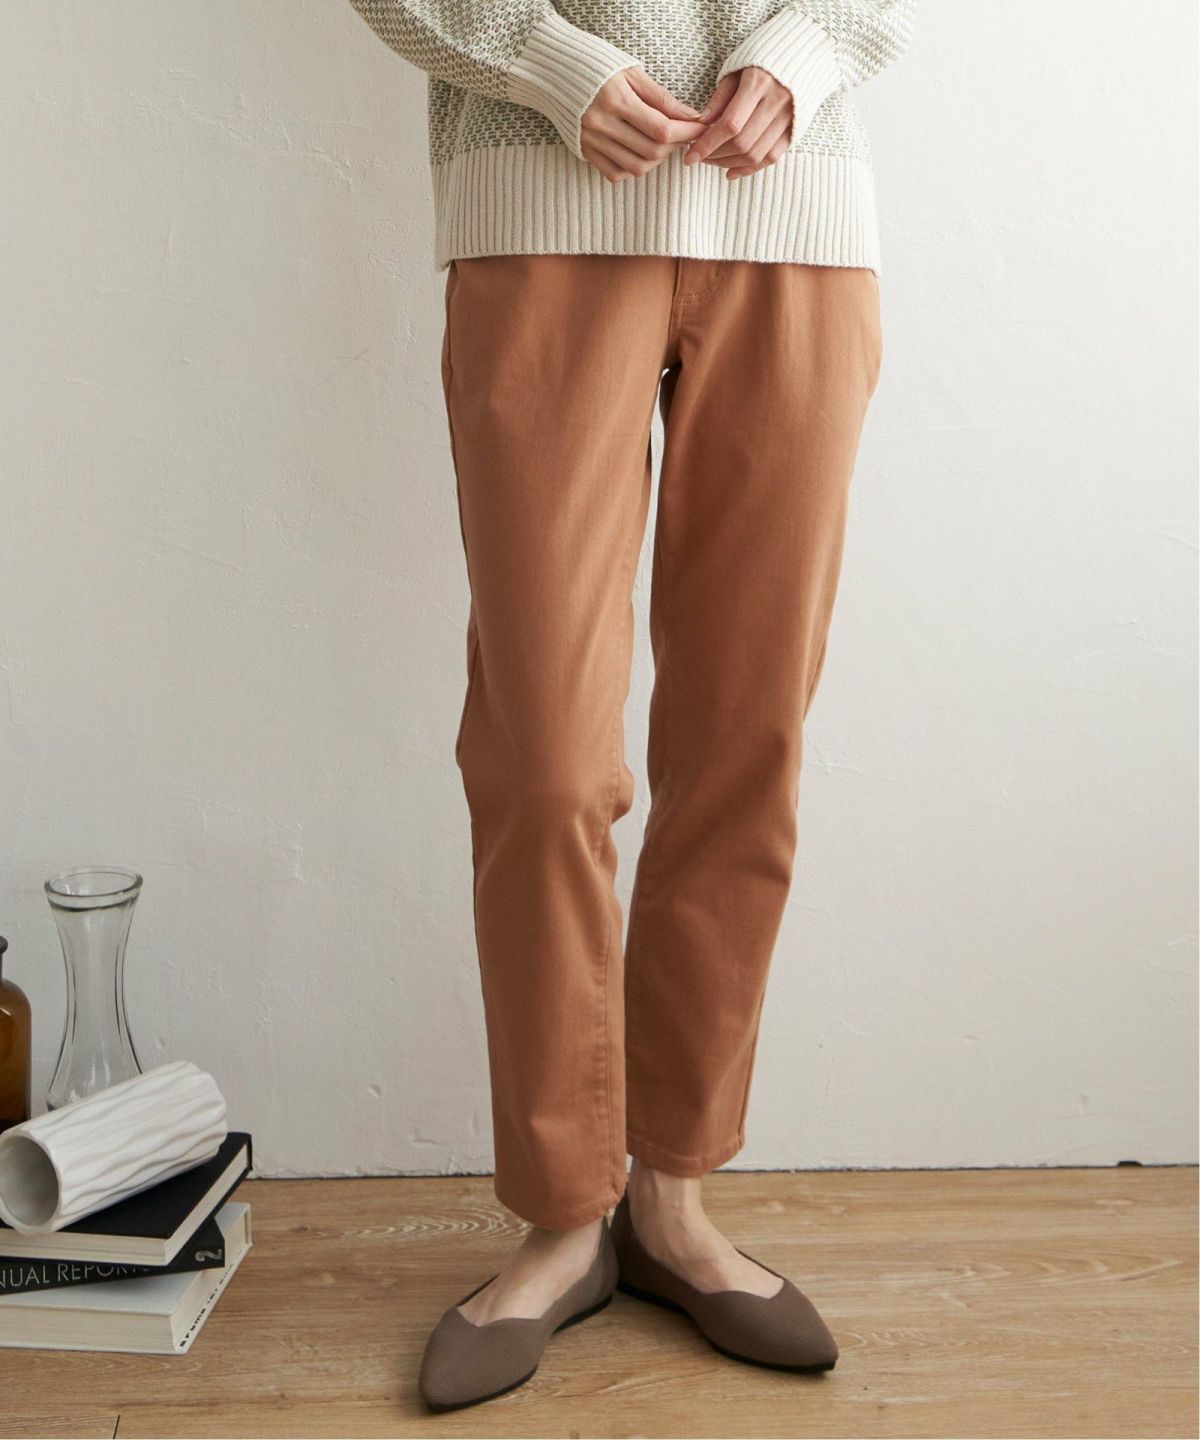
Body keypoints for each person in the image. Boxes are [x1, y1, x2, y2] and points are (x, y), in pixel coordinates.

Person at [346, 0, 914, 1412]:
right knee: (543, 760)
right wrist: (547, 62)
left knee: (746, 740)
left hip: (791, 224)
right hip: (542, 210)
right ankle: (561, 1218)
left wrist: (802, 53)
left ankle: (672, 1201)